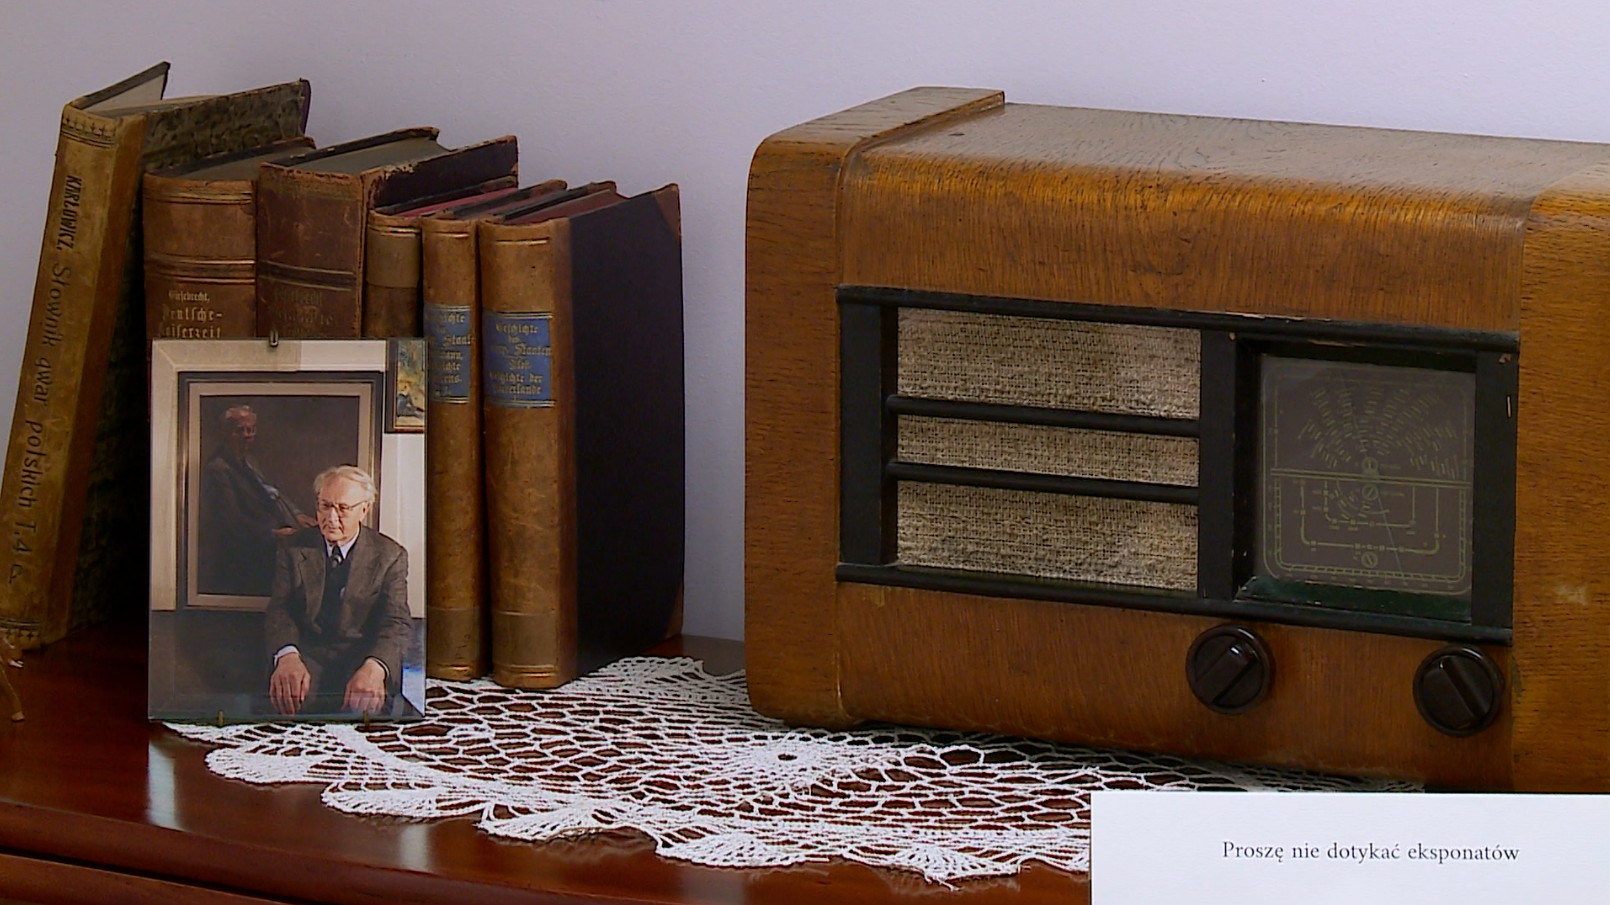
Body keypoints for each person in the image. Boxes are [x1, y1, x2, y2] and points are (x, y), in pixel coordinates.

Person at [264, 465, 412, 716]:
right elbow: (280, 609)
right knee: (287, 705)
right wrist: (287, 655)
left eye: (343, 508)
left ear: (364, 509)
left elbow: (396, 622)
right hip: (306, 655)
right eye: (325, 506)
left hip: (362, 656)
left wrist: (376, 667)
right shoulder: (293, 548)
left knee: (364, 712)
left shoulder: (390, 555)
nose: (331, 518)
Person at [198, 405, 316, 597]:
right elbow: (231, 522)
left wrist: (296, 514)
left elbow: (273, 493)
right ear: (225, 433)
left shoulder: (249, 461)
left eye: (250, 430)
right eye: (239, 430)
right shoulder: (218, 469)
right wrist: (273, 534)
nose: (247, 436)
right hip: (245, 556)